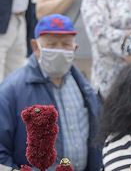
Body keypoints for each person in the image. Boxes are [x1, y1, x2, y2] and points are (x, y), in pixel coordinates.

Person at [0, 14, 102, 170]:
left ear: (75, 48)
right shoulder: (11, 90)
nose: (59, 50)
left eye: (66, 44)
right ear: (35, 47)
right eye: (52, 44)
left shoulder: (84, 87)